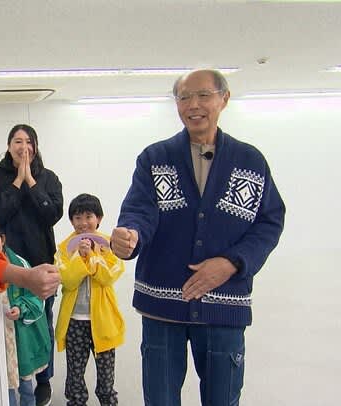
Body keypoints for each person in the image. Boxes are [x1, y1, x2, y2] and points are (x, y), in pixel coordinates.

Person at [111, 69, 285, 406]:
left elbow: (269, 221)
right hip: (162, 306)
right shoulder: (154, 158)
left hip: (224, 305)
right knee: (160, 399)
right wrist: (130, 235)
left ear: (224, 99)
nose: (193, 105)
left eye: (203, 95)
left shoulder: (250, 161)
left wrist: (232, 263)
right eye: (184, 97)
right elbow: (139, 211)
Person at [0, 123, 63, 406]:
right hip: (8, 265)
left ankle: (43, 379)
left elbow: (52, 215)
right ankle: (16, 378)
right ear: (9, 146)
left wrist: (30, 180)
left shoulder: (48, 178)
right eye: (18, 141)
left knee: (42, 321)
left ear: (35, 147)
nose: (24, 147)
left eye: (29, 142)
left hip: (40, 261)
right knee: (14, 323)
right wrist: (17, 181)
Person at [55, 194, 125, 406]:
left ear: (99, 218)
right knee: (75, 378)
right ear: (71, 221)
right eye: (77, 217)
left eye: (88, 216)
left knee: (106, 379)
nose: (83, 223)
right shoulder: (64, 248)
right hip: (74, 322)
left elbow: (109, 276)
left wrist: (93, 256)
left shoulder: (109, 246)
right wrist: (79, 256)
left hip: (103, 323)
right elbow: (67, 280)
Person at [3, 245, 51, 406]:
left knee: (25, 383)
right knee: (5, 384)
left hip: (20, 336)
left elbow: (36, 297)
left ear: (3, 239)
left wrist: (20, 308)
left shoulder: (18, 263)